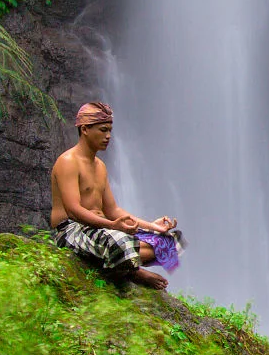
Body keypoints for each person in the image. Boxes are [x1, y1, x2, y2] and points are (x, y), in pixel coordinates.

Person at [50, 102, 183, 290]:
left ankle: (124, 263)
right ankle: (133, 273)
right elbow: (73, 210)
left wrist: (151, 226)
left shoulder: (100, 166)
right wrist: (113, 226)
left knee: (172, 241)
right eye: (103, 130)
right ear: (85, 129)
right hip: (71, 230)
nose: (108, 136)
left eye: (110, 130)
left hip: (102, 230)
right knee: (120, 241)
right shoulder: (68, 162)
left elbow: (112, 210)